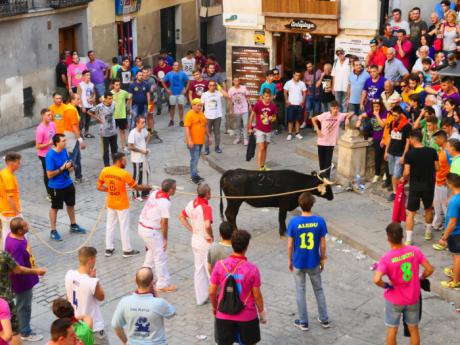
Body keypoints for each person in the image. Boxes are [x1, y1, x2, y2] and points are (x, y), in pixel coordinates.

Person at [373, 222, 433, 345]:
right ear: (402, 236)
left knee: (392, 331)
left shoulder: (386, 258)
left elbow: (376, 279)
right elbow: (430, 269)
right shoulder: (415, 251)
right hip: (412, 298)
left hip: (394, 299)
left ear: (388, 238)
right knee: (414, 330)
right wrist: (420, 278)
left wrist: (386, 285)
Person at [209, 230, 266, 345]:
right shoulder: (252, 269)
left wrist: (215, 308)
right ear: (247, 246)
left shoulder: (220, 265)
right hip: (247, 316)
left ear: (232, 244)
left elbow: (211, 292)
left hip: (223, 314)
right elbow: (257, 296)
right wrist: (261, 312)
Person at [287, 192, 330, 331]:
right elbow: (323, 244)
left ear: (300, 204)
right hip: (313, 261)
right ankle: (324, 319)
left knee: (300, 291)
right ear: (312, 204)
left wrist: (290, 260)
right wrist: (322, 258)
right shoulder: (320, 221)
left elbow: (289, 245)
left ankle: (303, 322)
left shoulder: (293, 222)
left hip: (298, 262)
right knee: (319, 289)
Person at [97, 152, 150, 257]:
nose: (126, 162)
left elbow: (99, 187)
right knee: (124, 227)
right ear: (119, 161)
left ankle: (108, 249)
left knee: (110, 226)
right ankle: (127, 250)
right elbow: (136, 187)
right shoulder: (124, 173)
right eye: (124, 160)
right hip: (122, 204)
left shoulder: (105, 170)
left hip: (111, 203)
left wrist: (110, 190)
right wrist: (147, 187)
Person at [111, 267, 176, 344]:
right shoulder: (159, 303)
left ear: (135, 280)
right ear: (152, 283)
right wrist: (157, 295)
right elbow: (172, 312)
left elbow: (115, 325)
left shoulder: (124, 302)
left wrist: (125, 342)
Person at [5, 218, 42, 342]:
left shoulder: (13, 236)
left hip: (24, 280)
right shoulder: (16, 246)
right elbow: (18, 269)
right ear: (20, 230)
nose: (28, 226)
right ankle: (25, 332)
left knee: (22, 304)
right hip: (22, 282)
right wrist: (36, 271)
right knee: (24, 306)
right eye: (25, 225)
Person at [138, 178, 177, 292]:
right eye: (174, 188)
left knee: (151, 253)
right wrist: (165, 239)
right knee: (160, 255)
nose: (175, 190)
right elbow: (164, 222)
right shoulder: (165, 203)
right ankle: (162, 283)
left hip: (143, 226)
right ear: (170, 190)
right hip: (150, 230)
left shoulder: (155, 193)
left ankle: (143, 276)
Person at [46, 134, 87, 241]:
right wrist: (62, 168)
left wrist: (70, 168)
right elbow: (49, 175)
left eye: (65, 140)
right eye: (63, 140)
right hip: (56, 186)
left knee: (71, 205)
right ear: (57, 143)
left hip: (67, 183)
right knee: (55, 208)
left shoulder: (64, 151)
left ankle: (73, 225)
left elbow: (69, 164)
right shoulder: (50, 155)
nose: (66, 142)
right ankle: (53, 230)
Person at [0, 249, 46, 345]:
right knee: (14, 332)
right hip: (4, 301)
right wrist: (36, 271)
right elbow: (18, 269)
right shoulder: (2, 255)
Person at [179, 184, 214, 305]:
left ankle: (201, 298)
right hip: (204, 241)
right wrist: (210, 235)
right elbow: (208, 225)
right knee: (211, 270)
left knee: (199, 269)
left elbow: (181, 216)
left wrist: (191, 229)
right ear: (207, 194)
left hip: (195, 239)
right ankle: (217, 297)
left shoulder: (191, 204)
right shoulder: (206, 207)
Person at [402, 130, 439, 245]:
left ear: (413, 139)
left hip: (415, 186)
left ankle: (408, 239)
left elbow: (406, 172)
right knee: (428, 209)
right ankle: (428, 232)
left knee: (411, 213)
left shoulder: (409, 154)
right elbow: (437, 168)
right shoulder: (432, 151)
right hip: (429, 186)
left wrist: (404, 179)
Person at [64, 247, 107, 345]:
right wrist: (94, 279)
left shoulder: (69, 275)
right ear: (90, 260)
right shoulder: (91, 281)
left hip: (76, 324)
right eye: (95, 257)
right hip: (93, 327)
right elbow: (101, 297)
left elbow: (67, 296)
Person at [312, 101, 352, 179]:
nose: (336, 110)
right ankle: (322, 176)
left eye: (337, 108)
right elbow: (313, 119)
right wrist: (317, 130)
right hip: (321, 141)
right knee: (322, 161)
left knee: (328, 161)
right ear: (330, 108)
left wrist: (347, 118)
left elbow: (351, 113)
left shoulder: (340, 115)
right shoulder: (325, 115)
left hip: (331, 143)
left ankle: (327, 177)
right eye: (334, 108)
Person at [438, 173, 460, 289]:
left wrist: (444, 237)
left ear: (450, 184)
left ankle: (456, 281)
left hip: (456, 233)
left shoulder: (454, 201)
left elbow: (452, 222)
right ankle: (455, 272)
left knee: (457, 256)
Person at [384, 106, 411, 202]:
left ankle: (400, 191)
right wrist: (386, 151)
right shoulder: (392, 123)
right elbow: (390, 137)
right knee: (392, 173)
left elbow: (408, 141)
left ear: (400, 114)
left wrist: (404, 155)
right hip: (391, 152)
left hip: (400, 154)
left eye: (395, 115)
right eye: (393, 115)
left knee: (397, 174)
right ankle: (395, 192)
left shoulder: (406, 125)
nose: (394, 117)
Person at [356, 100, 387, 182]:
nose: (376, 108)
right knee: (377, 156)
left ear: (381, 106)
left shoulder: (384, 112)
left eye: (377, 106)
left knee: (386, 156)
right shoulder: (371, 112)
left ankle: (386, 173)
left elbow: (382, 125)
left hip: (385, 137)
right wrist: (359, 119)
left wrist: (377, 115)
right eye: (374, 106)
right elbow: (362, 115)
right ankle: (377, 174)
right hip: (376, 137)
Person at [248, 89, 277, 171]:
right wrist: (250, 127)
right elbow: (252, 116)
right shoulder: (258, 104)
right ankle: (260, 167)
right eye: (266, 96)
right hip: (259, 129)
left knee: (265, 148)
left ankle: (263, 165)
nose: (268, 98)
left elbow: (274, 117)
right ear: (263, 96)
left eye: (269, 96)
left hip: (268, 130)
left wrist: (272, 119)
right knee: (261, 148)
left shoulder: (272, 106)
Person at [184, 99, 210, 184]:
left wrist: (209, 136)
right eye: (198, 105)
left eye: (201, 105)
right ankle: (194, 176)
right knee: (194, 159)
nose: (200, 107)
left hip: (200, 141)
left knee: (196, 158)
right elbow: (186, 128)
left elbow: (205, 125)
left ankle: (195, 174)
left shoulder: (201, 113)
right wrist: (190, 140)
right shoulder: (189, 115)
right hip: (193, 142)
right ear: (193, 105)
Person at [87, 93, 117, 167]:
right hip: (104, 133)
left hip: (113, 131)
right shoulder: (100, 106)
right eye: (109, 98)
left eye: (112, 98)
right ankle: (107, 167)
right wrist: (97, 118)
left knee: (115, 150)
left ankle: (116, 165)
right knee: (105, 151)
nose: (111, 100)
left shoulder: (114, 104)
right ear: (105, 99)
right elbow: (89, 111)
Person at [0, 152, 22, 250]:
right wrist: (17, 213)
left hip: (4, 210)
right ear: (10, 163)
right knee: (18, 235)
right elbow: (10, 198)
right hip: (10, 213)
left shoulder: (3, 173)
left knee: (6, 235)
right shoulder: (9, 177)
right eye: (18, 162)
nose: (19, 164)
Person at [63, 93, 86, 184]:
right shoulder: (71, 110)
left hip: (70, 135)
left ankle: (78, 177)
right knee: (72, 159)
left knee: (76, 157)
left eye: (79, 99)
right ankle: (65, 179)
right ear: (72, 100)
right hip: (71, 136)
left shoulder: (69, 108)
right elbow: (74, 127)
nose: (79, 101)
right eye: (77, 99)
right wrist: (80, 140)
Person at [431, 131, 450, 237]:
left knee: (446, 207)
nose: (435, 141)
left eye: (436, 139)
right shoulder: (440, 150)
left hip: (444, 183)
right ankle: (437, 224)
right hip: (438, 181)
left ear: (442, 139)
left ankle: (449, 231)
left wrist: (449, 181)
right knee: (437, 205)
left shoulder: (448, 150)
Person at [201, 80, 227, 154]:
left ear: (215, 86)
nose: (212, 87)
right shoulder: (204, 94)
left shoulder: (218, 93)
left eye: (214, 85)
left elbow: (227, 95)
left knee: (217, 133)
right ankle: (206, 149)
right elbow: (201, 106)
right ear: (208, 86)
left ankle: (217, 147)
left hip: (217, 116)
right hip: (207, 117)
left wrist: (220, 88)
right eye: (211, 85)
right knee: (207, 133)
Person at [128, 115, 150, 201]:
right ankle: (135, 194)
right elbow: (130, 146)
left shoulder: (143, 130)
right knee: (137, 177)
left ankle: (144, 193)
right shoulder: (133, 133)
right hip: (137, 159)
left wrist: (146, 144)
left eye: (144, 122)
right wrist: (141, 150)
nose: (144, 124)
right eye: (142, 122)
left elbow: (149, 134)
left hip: (144, 158)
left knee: (145, 175)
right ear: (137, 123)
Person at [35, 109, 56, 200]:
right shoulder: (40, 129)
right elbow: (38, 146)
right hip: (44, 155)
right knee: (48, 174)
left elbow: (55, 136)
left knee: (56, 172)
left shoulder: (53, 124)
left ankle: (56, 189)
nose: (50, 117)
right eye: (48, 115)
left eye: (51, 115)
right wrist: (49, 144)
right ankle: (50, 193)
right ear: (43, 116)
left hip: (54, 152)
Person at [161, 61, 189, 127]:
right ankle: (171, 120)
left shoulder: (182, 73)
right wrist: (167, 89)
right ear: (173, 66)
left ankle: (181, 120)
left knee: (180, 107)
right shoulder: (169, 74)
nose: (176, 66)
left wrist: (186, 90)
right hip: (172, 93)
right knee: (172, 107)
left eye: (178, 65)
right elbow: (163, 81)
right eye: (175, 65)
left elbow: (188, 81)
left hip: (181, 93)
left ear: (179, 66)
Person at [284, 71, 307, 141]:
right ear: (293, 75)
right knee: (290, 120)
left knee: (298, 120)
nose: (297, 77)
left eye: (299, 75)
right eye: (296, 75)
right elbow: (285, 91)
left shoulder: (302, 83)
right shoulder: (288, 83)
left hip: (299, 104)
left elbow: (304, 92)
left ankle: (297, 133)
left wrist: (303, 101)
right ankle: (289, 134)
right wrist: (286, 100)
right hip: (291, 104)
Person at [228, 76, 250, 145]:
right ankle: (238, 138)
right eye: (235, 80)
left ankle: (245, 139)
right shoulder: (231, 90)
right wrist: (231, 110)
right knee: (238, 125)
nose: (236, 82)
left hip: (244, 108)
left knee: (245, 124)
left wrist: (250, 105)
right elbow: (230, 100)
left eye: (238, 80)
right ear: (233, 82)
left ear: (239, 81)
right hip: (236, 109)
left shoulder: (243, 87)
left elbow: (247, 96)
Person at [111, 79, 132, 153]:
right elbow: (103, 100)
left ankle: (124, 147)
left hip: (122, 115)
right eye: (116, 85)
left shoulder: (123, 92)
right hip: (113, 116)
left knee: (122, 131)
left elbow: (130, 97)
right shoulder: (110, 94)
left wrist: (127, 106)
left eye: (119, 85)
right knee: (113, 133)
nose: (118, 86)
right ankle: (114, 148)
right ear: (113, 85)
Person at [76, 71, 95, 139]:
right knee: (82, 120)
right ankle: (80, 132)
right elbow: (79, 96)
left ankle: (86, 132)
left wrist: (92, 99)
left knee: (88, 119)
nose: (89, 77)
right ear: (83, 76)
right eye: (87, 75)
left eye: (89, 75)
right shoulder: (80, 85)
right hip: (83, 105)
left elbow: (93, 94)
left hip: (90, 105)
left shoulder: (92, 84)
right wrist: (82, 106)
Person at [331, 47, 350, 113]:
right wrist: (333, 87)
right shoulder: (336, 62)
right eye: (338, 54)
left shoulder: (349, 61)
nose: (340, 55)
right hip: (337, 87)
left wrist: (350, 87)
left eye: (341, 53)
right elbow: (334, 75)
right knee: (338, 105)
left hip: (346, 87)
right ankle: (339, 121)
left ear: (344, 53)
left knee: (345, 105)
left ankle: (344, 121)